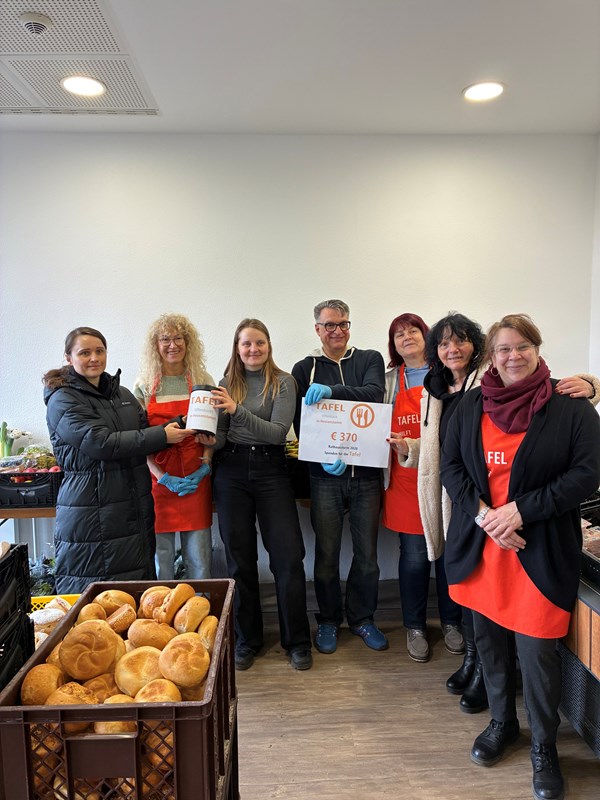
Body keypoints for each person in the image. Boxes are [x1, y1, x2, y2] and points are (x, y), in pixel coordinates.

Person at [441, 314, 600, 800]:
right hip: (481, 549)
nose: (513, 356)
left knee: (537, 658)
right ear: (491, 354)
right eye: (504, 348)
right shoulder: (469, 405)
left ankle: (545, 748)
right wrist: (488, 517)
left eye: (522, 346)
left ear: (536, 348)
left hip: (540, 552)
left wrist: (519, 512)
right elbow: (452, 468)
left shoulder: (570, 406)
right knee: (488, 644)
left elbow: (587, 475)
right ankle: (502, 722)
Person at [43, 326, 193, 593]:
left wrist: (186, 423)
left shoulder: (121, 395)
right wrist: (162, 435)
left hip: (133, 508)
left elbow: (144, 430)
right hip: (91, 508)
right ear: (69, 357)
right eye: (84, 352)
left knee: (136, 594)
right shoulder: (62, 399)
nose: (94, 358)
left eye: (99, 351)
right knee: (95, 600)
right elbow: (99, 443)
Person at [212, 319, 312, 671]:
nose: (253, 350)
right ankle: (247, 640)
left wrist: (237, 411)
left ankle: (297, 641)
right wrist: (208, 437)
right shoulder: (226, 384)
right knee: (239, 560)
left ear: (269, 346)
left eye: (259, 343)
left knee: (288, 557)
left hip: (272, 470)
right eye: (246, 344)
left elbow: (277, 433)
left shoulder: (285, 382)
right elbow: (223, 436)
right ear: (236, 348)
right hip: (231, 472)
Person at [292, 299, 387, 655]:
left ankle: (363, 619)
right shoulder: (305, 368)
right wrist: (323, 457)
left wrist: (334, 392)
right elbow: (303, 424)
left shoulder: (370, 359)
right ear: (317, 328)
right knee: (327, 554)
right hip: (324, 476)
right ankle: (329, 620)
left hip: (365, 475)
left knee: (368, 556)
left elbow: (375, 396)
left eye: (343, 324)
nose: (337, 331)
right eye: (329, 325)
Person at [384, 313, 464, 664]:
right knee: (414, 556)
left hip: (443, 478)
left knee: (448, 553)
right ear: (393, 345)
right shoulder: (387, 380)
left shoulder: (447, 374)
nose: (406, 337)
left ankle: (452, 621)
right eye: (398, 334)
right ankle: (415, 626)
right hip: (402, 480)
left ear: (426, 335)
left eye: (412, 330)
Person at [135, 314, 215, 580]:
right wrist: (163, 478)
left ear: (188, 342)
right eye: (165, 339)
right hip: (159, 483)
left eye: (178, 338)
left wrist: (205, 464)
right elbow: (139, 438)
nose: (172, 345)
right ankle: (161, 616)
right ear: (155, 345)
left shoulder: (202, 379)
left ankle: (204, 615)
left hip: (196, 481)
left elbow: (211, 429)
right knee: (162, 561)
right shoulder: (144, 386)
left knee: (200, 560)